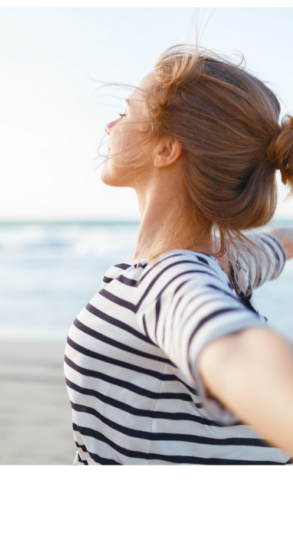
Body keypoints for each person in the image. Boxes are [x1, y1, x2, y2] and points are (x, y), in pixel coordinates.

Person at [65, 43, 293, 465]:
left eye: (126, 110)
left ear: (167, 149)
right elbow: (277, 245)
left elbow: (242, 356)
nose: (110, 124)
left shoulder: (171, 281)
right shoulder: (229, 265)